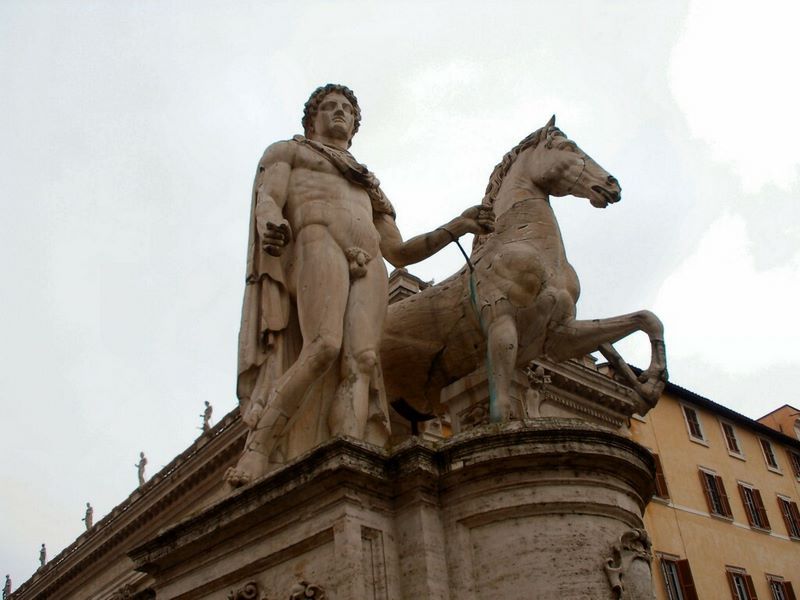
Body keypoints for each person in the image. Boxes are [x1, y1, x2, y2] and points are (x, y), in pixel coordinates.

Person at [226, 84, 493, 487]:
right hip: (318, 240)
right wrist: (271, 224)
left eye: (347, 109)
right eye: (329, 107)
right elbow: (269, 198)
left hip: (369, 261)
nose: (340, 112)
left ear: (354, 126)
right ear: (312, 119)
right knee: (323, 346)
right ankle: (258, 449)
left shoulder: (368, 183)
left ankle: (348, 453)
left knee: (363, 361)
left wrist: (457, 225)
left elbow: (399, 251)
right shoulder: (290, 152)